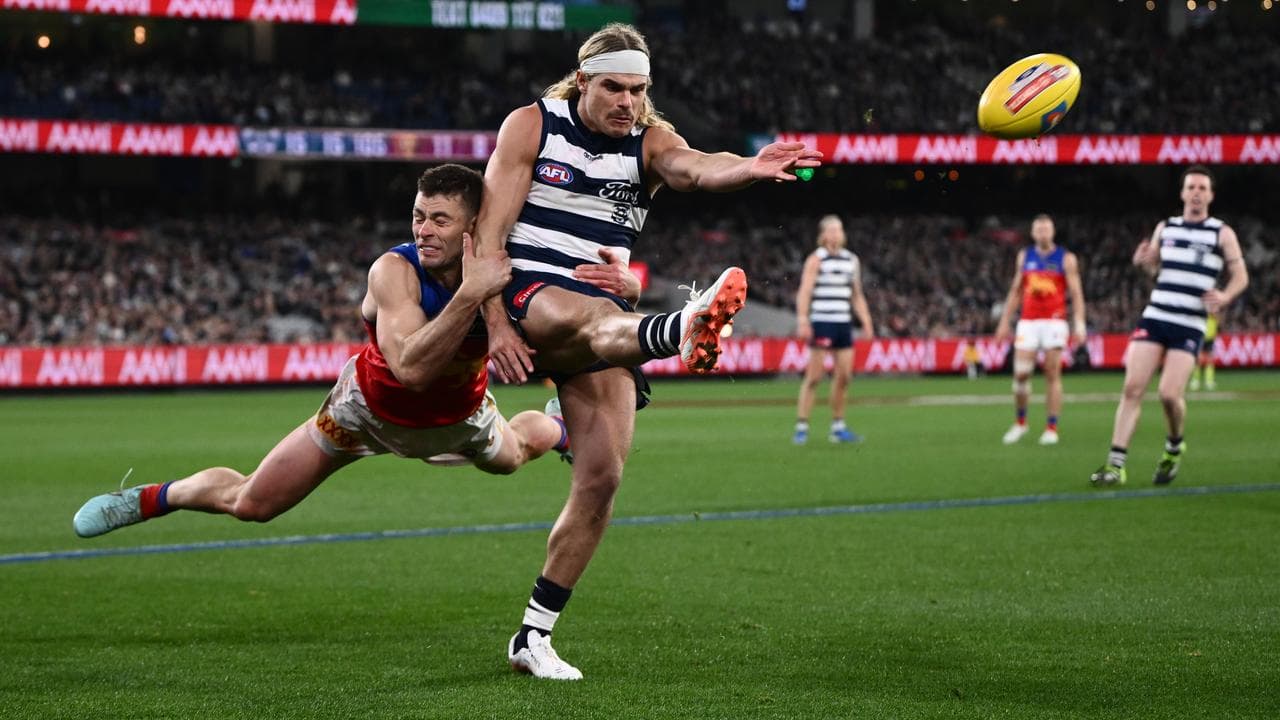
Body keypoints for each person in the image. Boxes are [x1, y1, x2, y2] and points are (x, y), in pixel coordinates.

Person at [471, 23, 821, 680]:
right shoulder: (531, 127)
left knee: (601, 477)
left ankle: (532, 637)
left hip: (605, 315)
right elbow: (486, 235)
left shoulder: (647, 143)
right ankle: (680, 329)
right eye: (615, 88)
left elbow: (693, 167)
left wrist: (746, 166)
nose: (628, 102)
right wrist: (494, 323)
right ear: (583, 81)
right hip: (532, 292)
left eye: (639, 90)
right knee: (597, 315)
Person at [71, 164, 585, 542]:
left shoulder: (512, 272)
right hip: (363, 410)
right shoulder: (394, 272)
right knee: (252, 504)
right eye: (418, 216)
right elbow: (409, 368)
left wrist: (619, 285)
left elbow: (572, 320)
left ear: (474, 229)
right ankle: (147, 499)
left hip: (460, 413)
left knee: (514, 454)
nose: (423, 230)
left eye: (441, 221)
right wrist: (472, 295)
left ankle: (559, 427)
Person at [1090, 166, 1249, 486]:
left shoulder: (1221, 232)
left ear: (1211, 196)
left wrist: (1225, 295)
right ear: (1182, 193)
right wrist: (1141, 263)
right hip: (1156, 315)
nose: (1196, 192)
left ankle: (1174, 445)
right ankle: (1115, 465)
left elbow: (1241, 276)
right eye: (1191, 187)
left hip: (1190, 323)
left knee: (1167, 395)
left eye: (1203, 188)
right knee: (1133, 388)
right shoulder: (1167, 227)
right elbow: (1153, 270)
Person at [994, 214, 1086, 446]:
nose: (1043, 232)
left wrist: (1080, 323)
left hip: (1054, 321)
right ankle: (1021, 423)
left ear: (1053, 231)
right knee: (1021, 375)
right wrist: (1005, 321)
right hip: (1028, 321)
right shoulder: (1025, 256)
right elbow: (1016, 290)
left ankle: (1051, 427)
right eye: (1039, 228)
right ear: (1033, 233)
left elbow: (1076, 293)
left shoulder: (1066, 258)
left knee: (1052, 374)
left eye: (1047, 228)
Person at [792, 214, 875, 444]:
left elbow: (856, 294)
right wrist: (802, 319)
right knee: (815, 376)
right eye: (833, 229)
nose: (837, 233)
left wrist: (866, 320)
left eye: (840, 229)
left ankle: (838, 427)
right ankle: (802, 426)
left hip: (843, 324)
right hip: (822, 323)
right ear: (824, 234)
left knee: (845, 376)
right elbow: (805, 291)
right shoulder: (816, 259)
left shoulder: (851, 260)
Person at [1189, 310, 1220, 391]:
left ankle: (1209, 381)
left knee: (1210, 360)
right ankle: (1195, 380)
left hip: (1210, 338)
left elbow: (1218, 319)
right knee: (1198, 360)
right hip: (1201, 337)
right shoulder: (1202, 312)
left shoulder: (1214, 313)